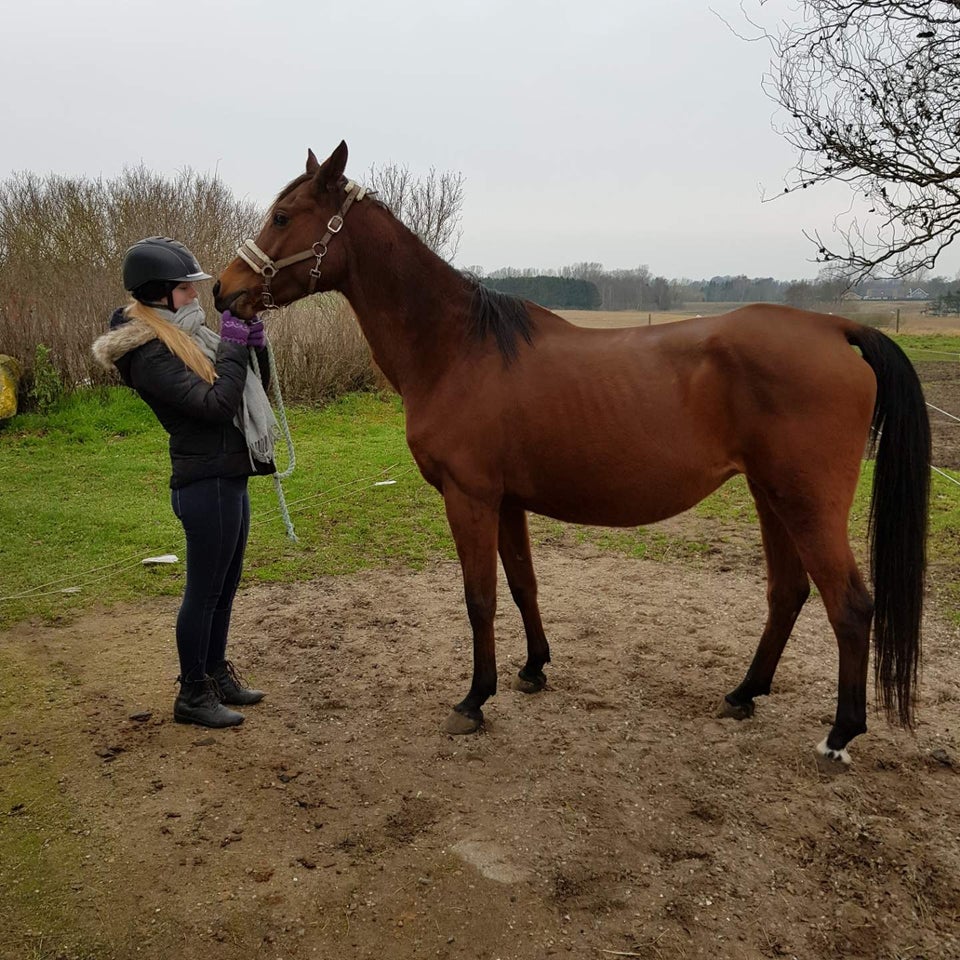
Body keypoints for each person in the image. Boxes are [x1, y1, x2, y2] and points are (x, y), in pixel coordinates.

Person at [93, 236, 276, 728]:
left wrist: (248, 347)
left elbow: (237, 388)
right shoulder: (149, 355)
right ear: (159, 294)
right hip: (204, 483)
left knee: (225, 587)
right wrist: (236, 345)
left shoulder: (188, 337)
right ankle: (191, 693)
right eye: (185, 290)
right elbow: (217, 406)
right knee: (203, 591)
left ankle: (215, 673)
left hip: (229, 474)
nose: (196, 296)